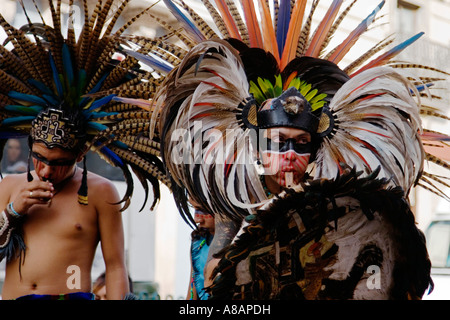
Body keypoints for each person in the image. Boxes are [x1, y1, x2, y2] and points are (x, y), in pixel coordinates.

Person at [145, 0, 450, 299]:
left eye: (301, 143)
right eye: (278, 142)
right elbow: (213, 280)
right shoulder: (236, 206)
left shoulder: (334, 205)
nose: (290, 153)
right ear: (257, 146)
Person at [0, 0, 169, 300]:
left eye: (60, 162)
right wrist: (14, 212)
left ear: (80, 156)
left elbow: (116, 267)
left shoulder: (102, 193)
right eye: (39, 158)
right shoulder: (10, 187)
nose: (47, 170)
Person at [186, 207, 215, 300]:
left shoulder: (238, 243)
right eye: (195, 210)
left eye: (204, 210)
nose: (197, 219)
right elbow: (193, 288)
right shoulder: (198, 241)